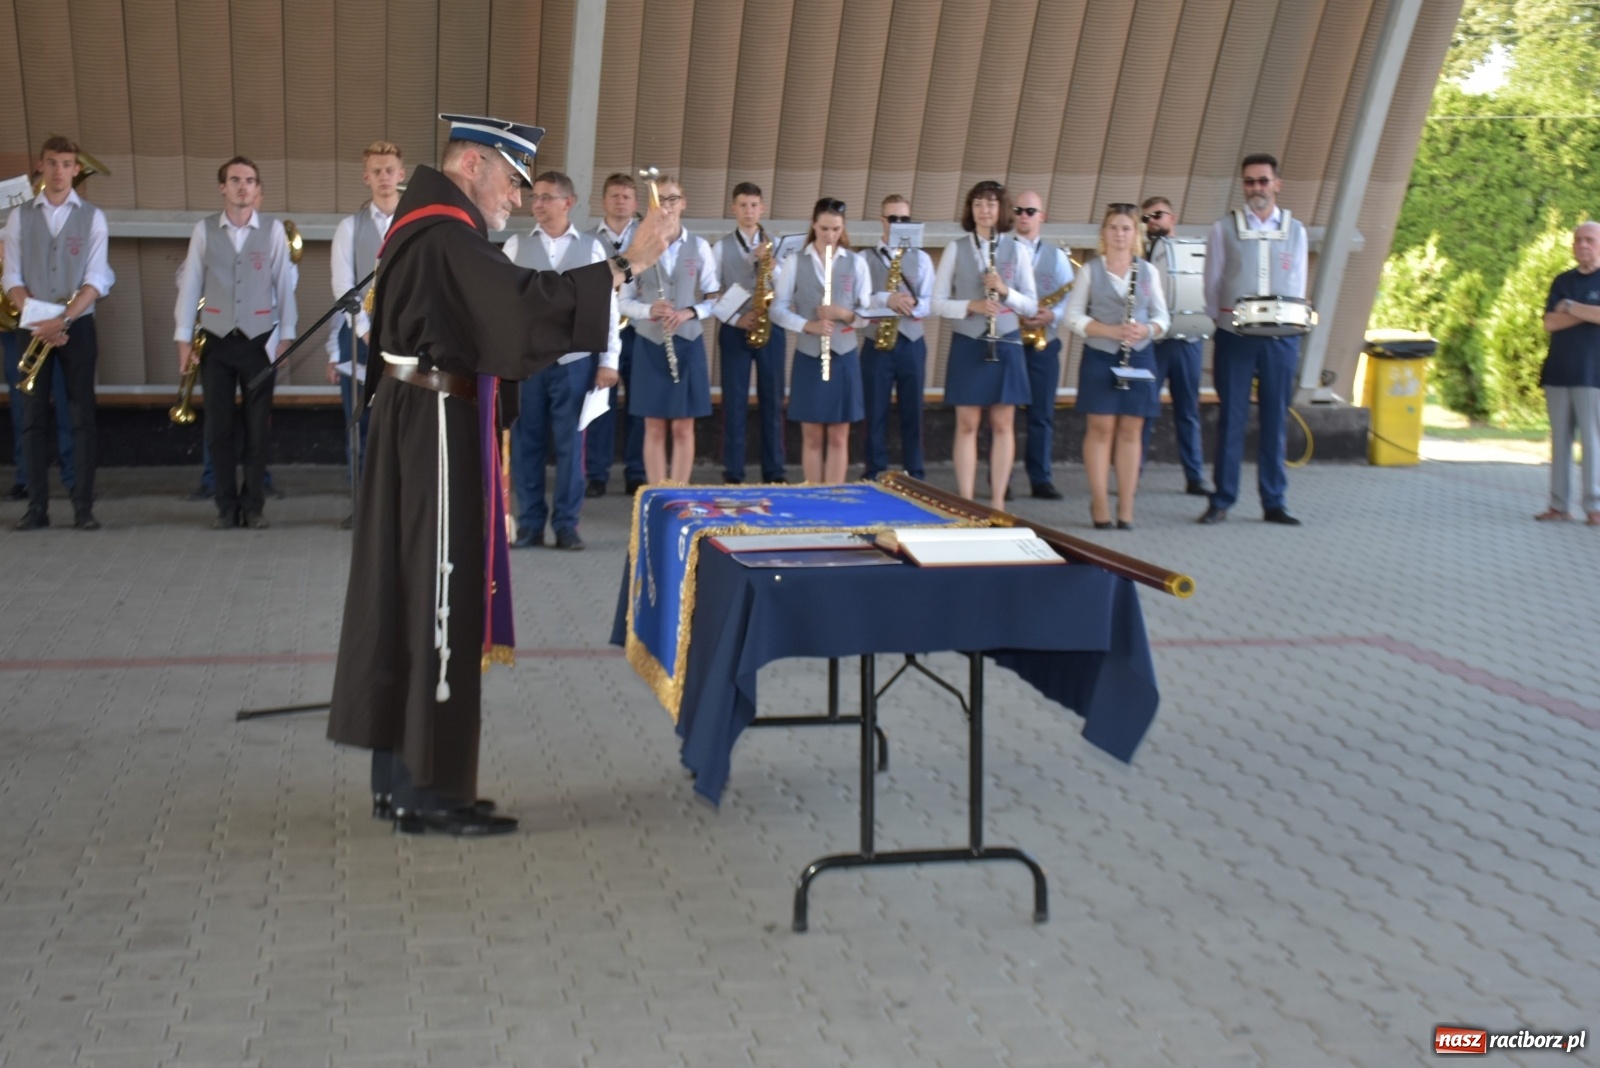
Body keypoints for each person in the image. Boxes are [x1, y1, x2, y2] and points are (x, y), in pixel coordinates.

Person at [327, 114, 667, 837]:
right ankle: (431, 788)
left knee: (407, 589)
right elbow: (522, 309)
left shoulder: (427, 224)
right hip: (436, 425)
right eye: (513, 180)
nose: (517, 196)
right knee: (439, 589)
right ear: (474, 164)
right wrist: (625, 264)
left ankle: (402, 779)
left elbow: (504, 309)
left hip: (417, 418)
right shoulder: (446, 233)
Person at [173, 156, 297, 530]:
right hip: (216, 341)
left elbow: (283, 285)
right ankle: (226, 507)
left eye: (250, 180)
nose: (243, 186)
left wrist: (287, 335)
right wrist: (183, 339)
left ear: (258, 189)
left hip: (259, 341)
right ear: (223, 187)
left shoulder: (272, 230)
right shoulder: (205, 230)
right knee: (219, 428)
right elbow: (191, 283)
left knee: (258, 430)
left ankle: (254, 505)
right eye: (235, 180)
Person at [2, 136, 114, 531]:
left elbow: (97, 278)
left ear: (75, 169)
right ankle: (37, 508)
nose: (59, 171)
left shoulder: (93, 216)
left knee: (81, 416)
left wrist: (62, 319)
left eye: (66, 164)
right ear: (41, 166)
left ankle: (83, 507)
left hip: (76, 327)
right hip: (32, 325)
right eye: (52, 163)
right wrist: (36, 317)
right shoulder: (20, 216)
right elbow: (11, 276)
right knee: (32, 419)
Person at [503, 170, 619, 550]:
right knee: (526, 445)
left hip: (575, 362)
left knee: (572, 446)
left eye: (546, 197)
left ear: (568, 203)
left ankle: (567, 525)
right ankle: (530, 524)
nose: (536, 204)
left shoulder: (593, 249)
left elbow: (608, 307)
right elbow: (503, 309)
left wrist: (609, 360)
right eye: (534, 196)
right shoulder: (515, 247)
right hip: (529, 363)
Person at [1199, 153, 1308, 526]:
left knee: (1275, 418)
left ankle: (1274, 501)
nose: (1256, 188)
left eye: (1263, 181)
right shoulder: (1223, 228)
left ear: (1277, 184)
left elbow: (1298, 281)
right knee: (1232, 418)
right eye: (1250, 181)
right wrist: (1223, 321)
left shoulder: (1296, 230)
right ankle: (1222, 499)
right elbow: (1212, 283)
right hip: (1235, 336)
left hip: (1281, 339)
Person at [932, 180, 1038, 510]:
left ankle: (996, 502)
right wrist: (970, 306)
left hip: (1005, 342)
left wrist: (1005, 291)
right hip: (969, 342)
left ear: (1001, 209)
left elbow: (1032, 306)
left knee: (1003, 424)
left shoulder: (1017, 249)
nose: (985, 209)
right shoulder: (956, 248)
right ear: (971, 209)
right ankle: (965, 502)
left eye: (991, 203)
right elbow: (936, 303)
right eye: (978, 203)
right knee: (967, 424)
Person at [1066, 204, 1169, 529]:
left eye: (1126, 228)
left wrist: (1147, 330)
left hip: (1138, 356)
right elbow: (1073, 316)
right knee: (1100, 430)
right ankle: (1099, 503)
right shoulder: (1090, 270)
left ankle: (1126, 505)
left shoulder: (1148, 271)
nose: (1120, 234)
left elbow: (1162, 318)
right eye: (1114, 228)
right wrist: (1108, 330)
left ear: (1135, 234)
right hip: (1100, 355)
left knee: (1131, 431)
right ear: (1104, 232)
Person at [619, 175, 718, 485]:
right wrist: (648, 310)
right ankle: (657, 492)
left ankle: (681, 491)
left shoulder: (700, 246)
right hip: (650, 343)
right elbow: (623, 301)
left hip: (688, 343)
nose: (667, 206)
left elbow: (714, 298)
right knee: (655, 426)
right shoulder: (635, 245)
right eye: (660, 200)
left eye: (673, 198)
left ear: (683, 203)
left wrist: (692, 312)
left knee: (683, 427)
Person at [771, 198, 870, 484]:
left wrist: (843, 314)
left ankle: (835, 497)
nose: (830, 235)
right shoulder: (795, 261)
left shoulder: (856, 262)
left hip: (844, 353)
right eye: (824, 228)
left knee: (839, 436)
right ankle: (812, 493)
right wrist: (807, 325)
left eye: (836, 229)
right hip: (809, 355)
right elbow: (778, 309)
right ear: (814, 225)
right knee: (812, 435)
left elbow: (866, 313)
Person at [326, 141, 405, 480]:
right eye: (376, 172)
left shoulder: (419, 224)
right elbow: (343, 287)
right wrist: (367, 331)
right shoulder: (349, 228)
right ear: (366, 178)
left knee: (403, 425)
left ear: (401, 175)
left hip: (406, 341)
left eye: (389, 170)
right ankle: (361, 508)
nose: (383, 177)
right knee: (361, 425)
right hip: (361, 339)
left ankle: (400, 506)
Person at [713, 182, 787, 485]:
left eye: (754, 205)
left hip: (771, 327)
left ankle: (774, 471)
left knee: (773, 401)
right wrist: (736, 318)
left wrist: (772, 266)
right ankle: (734, 471)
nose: (749, 211)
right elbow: (709, 294)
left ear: (762, 208)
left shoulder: (778, 245)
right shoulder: (721, 247)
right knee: (734, 401)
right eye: (742, 205)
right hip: (735, 328)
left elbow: (789, 290)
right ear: (733, 209)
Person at [1140, 195, 1211, 497]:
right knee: (1143, 410)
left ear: (1173, 217)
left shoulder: (1192, 250)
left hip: (1186, 341)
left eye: (1158, 215)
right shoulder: (1140, 257)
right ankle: (1133, 471)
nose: (1152, 222)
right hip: (1154, 343)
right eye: (1146, 218)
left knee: (1187, 411)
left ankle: (1194, 476)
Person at [860, 194, 934, 481]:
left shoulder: (922, 258)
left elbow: (930, 300)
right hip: (876, 342)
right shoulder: (864, 258)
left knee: (912, 410)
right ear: (883, 221)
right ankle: (874, 470)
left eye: (905, 219)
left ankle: (914, 472)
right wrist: (887, 299)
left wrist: (914, 306)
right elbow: (860, 300)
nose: (899, 224)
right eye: (893, 219)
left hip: (912, 341)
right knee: (873, 410)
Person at [585, 173, 647, 497]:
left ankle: (635, 471)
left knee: (638, 404)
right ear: (604, 201)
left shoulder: (647, 238)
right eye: (614, 196)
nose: (620, 201)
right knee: (600, 401)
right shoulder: (589, 240)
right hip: (603, 329)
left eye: (626, 196)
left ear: (635, 203)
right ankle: (597, 473)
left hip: (639, 330)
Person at [1011, 190, 1074, 499]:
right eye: (1020, 210)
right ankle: (1002, 479)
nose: (1024, 215)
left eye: (1031, 211)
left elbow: (1070, 298)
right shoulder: (1000, 251)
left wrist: (1052, 314)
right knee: (1003, 414)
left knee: (1041, 414)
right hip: (1009, 341)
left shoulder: (1058, 255)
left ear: (1041, 216)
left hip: (1043, 343)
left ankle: (1040, 478)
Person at [1537, 220, 1600, 525]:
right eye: (1578, 240)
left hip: (1593, 376)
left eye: (1590, 240)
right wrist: (1586, 314)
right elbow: (1549, 322)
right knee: (1560, 441)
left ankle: (1594, 507)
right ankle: (1558, 506)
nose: (1583, 245)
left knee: (1593, 442)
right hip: (1558, 372)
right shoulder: (1562, 280)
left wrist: (1570, 307)